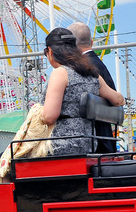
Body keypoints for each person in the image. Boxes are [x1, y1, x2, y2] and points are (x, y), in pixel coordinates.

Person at [40, 28, 124, 157]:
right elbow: (118, 100)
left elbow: (49, 116)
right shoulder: (92, 73)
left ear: (50, 51)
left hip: (59, 145)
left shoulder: (60, 73)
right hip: (89, 143)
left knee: (4, 160)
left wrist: (36, 115)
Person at [68, 22, 117, 153]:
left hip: (91, 140)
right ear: (91, 42)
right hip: (105, 137)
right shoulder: (98, 64)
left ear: (71, 44)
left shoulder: (81, 68)